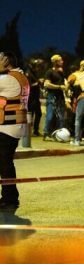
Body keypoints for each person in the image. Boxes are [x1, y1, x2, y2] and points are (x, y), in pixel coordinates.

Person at [0, 52, 30, 209]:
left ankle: (9, 198)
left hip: (7, 127)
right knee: (5, 163)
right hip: (13, 126)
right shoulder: (20, 76)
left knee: (5, 164)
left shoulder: (8, 78)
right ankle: (10, 196)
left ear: (6, 63)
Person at [43, 54, 66, 140]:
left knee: (61, 117)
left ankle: (60, 135)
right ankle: (46, 133)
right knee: (50, 115)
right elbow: (47, 84)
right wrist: (59, 87)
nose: (62, 61)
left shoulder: (61, 72)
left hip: (60, 96)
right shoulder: (50, 72)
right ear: (56, 62)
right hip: (52, 96)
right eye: (60, 60)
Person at [25, 58, 44, 136]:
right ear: (31, 66)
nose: (37, 68)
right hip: (30, 97)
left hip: (36, 97)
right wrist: (38, 82)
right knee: (30, 114)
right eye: (36, 66)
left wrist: (40, 82)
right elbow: (28, 86)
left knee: (39, 113)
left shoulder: (35, 73)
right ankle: (28, 131)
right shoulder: (28, 73)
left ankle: (35, 130)